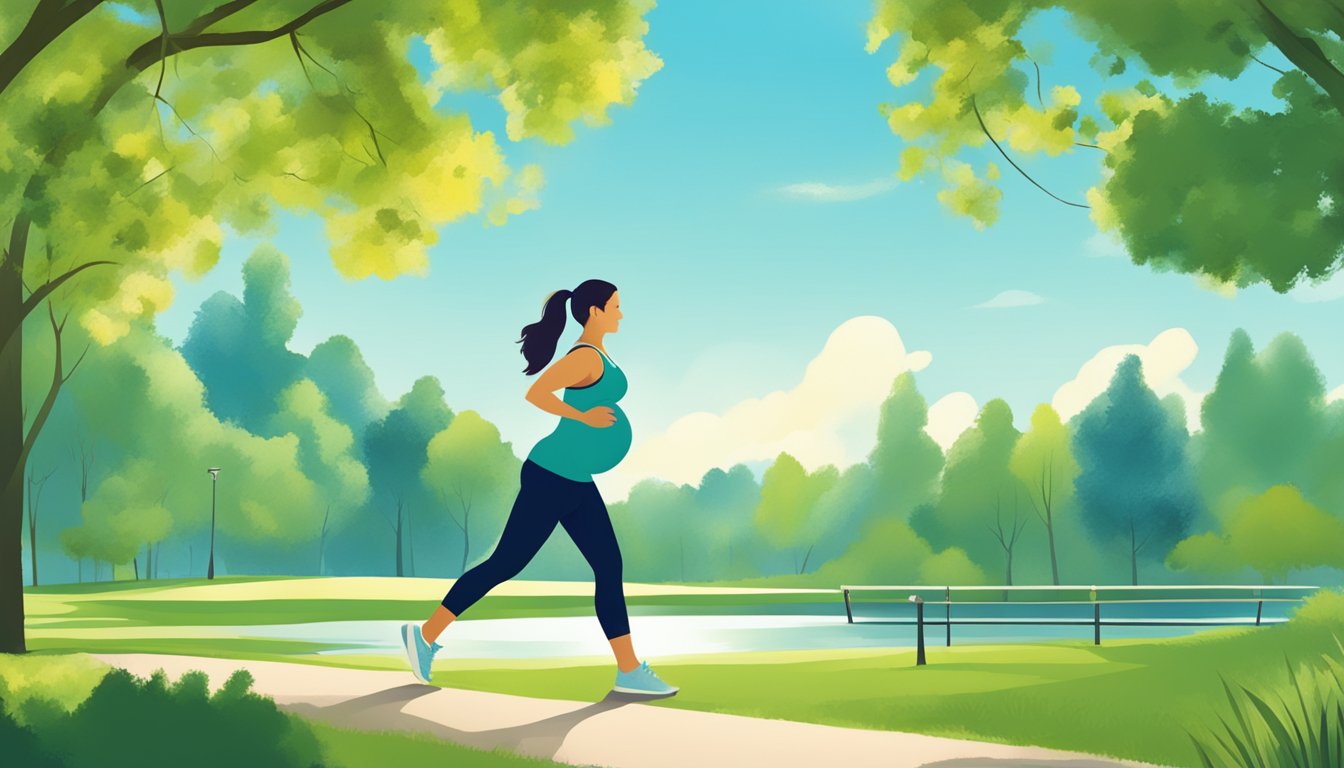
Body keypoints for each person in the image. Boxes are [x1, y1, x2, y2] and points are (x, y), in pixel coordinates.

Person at [400, 279, 677, 696]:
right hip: (551, 475)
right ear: (595, 311)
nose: (621, 313)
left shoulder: (599, 354)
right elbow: (536, 392)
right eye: (615, 306)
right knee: (505, 564)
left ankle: (628, 670)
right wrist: (582, 418)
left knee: (608, 565)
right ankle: (423, 636)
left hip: (576, 478)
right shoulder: (584, 357)